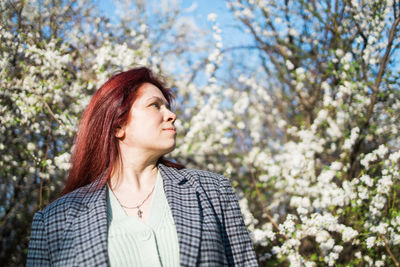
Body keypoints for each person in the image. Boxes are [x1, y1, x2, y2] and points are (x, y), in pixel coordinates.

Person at [26, 67, 258, 266]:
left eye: (167, 106)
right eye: (155, 105)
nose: (171, 115)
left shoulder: (213, 191)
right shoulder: (55, 221)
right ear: (118, 126)